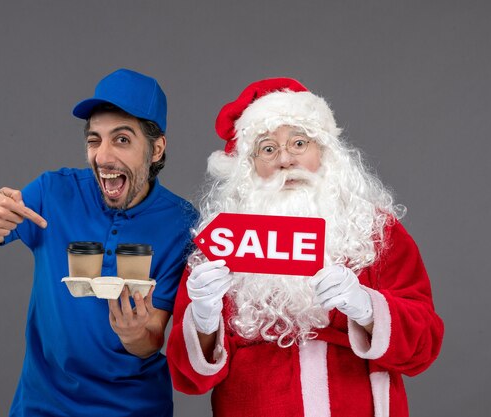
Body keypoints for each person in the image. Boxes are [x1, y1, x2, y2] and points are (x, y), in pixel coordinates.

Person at [166, 77, 444, 417]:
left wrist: (367, 309)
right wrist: (204, 319)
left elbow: (425, 345)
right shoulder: (221, 244)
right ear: (248, 167)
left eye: (299, 143)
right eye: (268, 149)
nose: (285, 160)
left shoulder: (375, 230)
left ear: (324, 151)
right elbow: (190, 379)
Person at [0, 68, 198, 416]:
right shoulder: (52, 192)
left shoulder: (182, 223)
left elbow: (151, 339)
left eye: (122, 140)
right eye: (95, 140)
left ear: (156, 149)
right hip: (43, 404)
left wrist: (132, 333)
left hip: (132, 407)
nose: (103, 156)